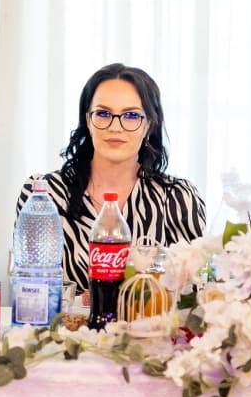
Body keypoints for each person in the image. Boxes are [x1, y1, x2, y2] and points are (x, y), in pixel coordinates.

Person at [15, 63, 206, 291]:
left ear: (149, 125)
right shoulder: (43, 195)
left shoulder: (178, 196)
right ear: (88, 120)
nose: (115, 127)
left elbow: (194, 291)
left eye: (131, 115)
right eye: (103, 114)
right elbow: (29, 288)